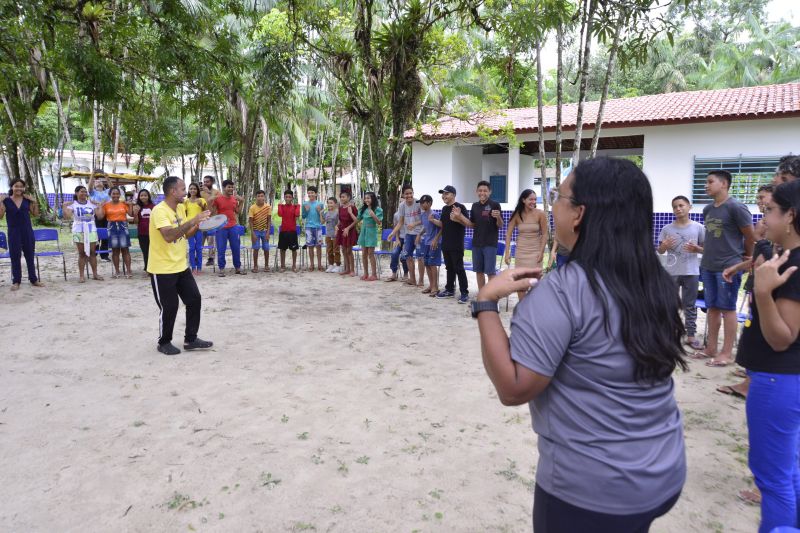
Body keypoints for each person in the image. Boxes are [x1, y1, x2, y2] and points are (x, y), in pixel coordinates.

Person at [474, 157, 686, 532]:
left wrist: (486, 303)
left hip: (592, 490)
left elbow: (514, 386)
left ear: (578, 215)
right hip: (662, 469)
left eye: (558, 195)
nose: (551, 203)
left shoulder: (563, 291)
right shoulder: (654, 282)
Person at [735, 179, 800, 533]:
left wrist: (762, 293)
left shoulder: (792, 265)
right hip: (785, 380)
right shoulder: (784, 256)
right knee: (788, 471)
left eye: (771, 211)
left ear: (790, 215)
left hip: (778, 379)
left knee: (773, 480)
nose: (765, 218)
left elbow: (781, 338)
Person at [693, 170, 755, 367]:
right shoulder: (708, 209)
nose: (706, 185)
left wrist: (745, 260)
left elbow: (750, 236)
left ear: (724, 184)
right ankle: (711, 348)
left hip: (728, 266)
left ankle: (726, 353)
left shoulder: (736, 207)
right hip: (708, 265)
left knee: (728, 309)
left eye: (710, 182)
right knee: (712, 308)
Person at [148, 175, 213, 356]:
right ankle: (164, 342)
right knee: (169, 306)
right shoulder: (159, 211)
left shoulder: (179, 208)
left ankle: (190, 339)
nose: (186, 192)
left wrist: (198, 225)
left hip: (180, 266)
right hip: (162, 268)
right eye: (183, 189)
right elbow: (168, 236)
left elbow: (184, 235)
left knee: (194, 299)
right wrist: (192, 220)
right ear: (172, 191)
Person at [657, 195, 705, 350]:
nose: (678, 209)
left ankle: (691, 336)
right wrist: (663, 245)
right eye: (675, 206)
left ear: (689, 207)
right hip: (671, 273)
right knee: (670, 304)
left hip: (691, 271)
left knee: (689, 305)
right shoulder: (666, 229)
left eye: (681, 205)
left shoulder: (698, 227)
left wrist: (696, 249)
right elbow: (660, 250)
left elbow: (707, 250)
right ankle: (669, 334)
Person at [459, 180, 504, 291]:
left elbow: (500, 225)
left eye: (485, 191)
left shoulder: (495, 205)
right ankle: (482, 294)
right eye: (480, 190)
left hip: (490, 244)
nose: (482, 193)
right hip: (476, 244)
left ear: (490, 192)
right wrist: (459, 216)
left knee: (490, 272)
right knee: (479, 271)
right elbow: (472, 224)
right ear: (476, 192)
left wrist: (498, 217)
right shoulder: (474, 206)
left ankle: (492, 297)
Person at [505, 189, 548, 302]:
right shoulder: (517, 215)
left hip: (535, 252)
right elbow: (508, 234)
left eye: (535, 199)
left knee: (535, 282)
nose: (533, 201)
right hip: (521, 253)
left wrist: (542, 252)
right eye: (531, 199)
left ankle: (533, 308)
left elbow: (544, 234)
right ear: (523, 200)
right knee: (521, 282)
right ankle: (522, 307)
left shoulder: (540, 214)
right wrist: (507, 253)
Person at [0, 178, 43, 290]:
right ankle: (16, 281)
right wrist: (0, 202)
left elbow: (35, 214)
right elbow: (0, 216)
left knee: (30, 256)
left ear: (24, 188)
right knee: (15, 257)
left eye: (21, 186)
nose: (19, 188)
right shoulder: (6, 201)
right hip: (14, 232)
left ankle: (33, 279)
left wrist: (34, 201)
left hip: (27, 232)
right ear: (12, 187)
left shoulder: (27, 200)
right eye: (16, 186)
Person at [435, 185, 469, 304]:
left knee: (459, 268)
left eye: (446, 194)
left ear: (453, 195)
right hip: (446, 243)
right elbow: (443, 225)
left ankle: (464, 293)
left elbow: (467, 224)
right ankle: (449, 289)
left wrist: (458, 218)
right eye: (443, 194)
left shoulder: (460, 207)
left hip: (456, 244)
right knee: (449, 267)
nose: (444, 196)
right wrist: (433, 221)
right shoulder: (444, 209)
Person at [63, 185, 104, 283]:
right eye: (82, 191)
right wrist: (64, 206)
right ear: (76, 193)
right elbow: (67, 217)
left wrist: (100, 206)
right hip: (78, 230)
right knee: (82, 254)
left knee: (92, 252)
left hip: (91, 229)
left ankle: (95, 274)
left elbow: (100, 216)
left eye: (85, 192)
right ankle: (81, 275)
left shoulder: (91, 203)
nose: (84, 194)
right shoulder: (73, 204)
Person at [388, 185, 423, 286]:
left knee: (420, 257)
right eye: (406, 194)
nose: (409, 195)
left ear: (413, 193)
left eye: (410, 193)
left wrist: (415, 225)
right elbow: (400, 222)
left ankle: (420, 280)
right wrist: (393, 233)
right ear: (403, 195)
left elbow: (424, 219)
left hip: (419, 234)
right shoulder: (402, 205)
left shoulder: (418, 203)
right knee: (407, 256)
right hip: (408, 235)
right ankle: (412, 279)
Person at [211, 179, 245, 277]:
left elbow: (238, 211)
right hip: (221, 228)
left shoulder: (234, 199)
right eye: (229, 187)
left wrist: (241, 201)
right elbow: (213, 212)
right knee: (221, 249)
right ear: (224, 188)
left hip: (233, 226)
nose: (231, 189)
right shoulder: (218, 199)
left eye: (232, 187)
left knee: (236, 248)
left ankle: (237, 268)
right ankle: (221, 269)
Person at [104, 186, 133, 279]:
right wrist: (99, 206)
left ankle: (128, 270)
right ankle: (117, 271)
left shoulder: (124, 204)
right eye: (113, 193)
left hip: (123, 226)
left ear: (120, 195)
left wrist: (131, 205)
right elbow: (100, 216)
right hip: (111, 227)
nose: (115, 195)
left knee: (125, 249)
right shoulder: (106, 205)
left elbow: (131, 214)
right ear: (110, 195)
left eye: (117, 193)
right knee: (115, 250)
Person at [417, 195, 441, 296]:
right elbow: (426, 227)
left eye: (424, 202)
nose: (422, 204)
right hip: (426, 242)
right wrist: (419, 234)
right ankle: (431, 285)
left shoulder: (434, 214)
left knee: (432, 264)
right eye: (421, 203)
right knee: (426, 263)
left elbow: (442, 226)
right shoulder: (422, 215)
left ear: (430, 203)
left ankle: (435, 287)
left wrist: (435, 239)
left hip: (434, 243)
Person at [357, 191, 383, 281]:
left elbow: (379, 222)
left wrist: (373, 215)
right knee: (363, 253)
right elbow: (357, 219)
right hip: (364, 231)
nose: (366, 200)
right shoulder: (363, 209)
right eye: (365, 198)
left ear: (373, 199)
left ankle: (374, 274)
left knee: (370, 254)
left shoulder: (377, 209)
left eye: (368, 198)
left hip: (371, 232)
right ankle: (366, 274)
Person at [87, 170, 111, 261]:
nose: (98, 182)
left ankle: (104, 256)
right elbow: (89, 187)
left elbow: (113, 188)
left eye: (100, 181)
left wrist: (107, 178)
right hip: (95, 216)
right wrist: (92, 175)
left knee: (105, 234)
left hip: (106, 215)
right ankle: (94, 253)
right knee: (95, 234)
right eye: (96, 181)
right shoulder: (93, 192)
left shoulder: (107, 192)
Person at [184, 183, 208, 275]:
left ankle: (199, 268)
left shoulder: (201, 200)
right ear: (189, 190)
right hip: (190, 227)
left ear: (197, 190)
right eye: (191, 189)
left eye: (195, 189)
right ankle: (193, 267)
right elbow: (184, 214)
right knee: (191, 248)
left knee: (198, 248)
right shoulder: (186, 201)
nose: (193, 190)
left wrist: (201, 205)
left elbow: (206, 212)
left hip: (199, 226)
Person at [335, 190, 359, 277]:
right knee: (343, 250)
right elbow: (340, 220)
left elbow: (356, 220)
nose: (342, 198)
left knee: (349, 250)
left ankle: (352, 270)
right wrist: (337, 226)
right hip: (342, 230)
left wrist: (348, 228)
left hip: (350, 231)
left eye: (343, 197)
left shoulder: (352, 207)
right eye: (341, 197)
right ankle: (347, 269)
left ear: (348, 198)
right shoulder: (340, 208)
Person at [248, 190, 272, 273]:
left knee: (266, 248)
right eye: (258, 196)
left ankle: (266, 265)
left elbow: (269, 220)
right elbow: (250, 221)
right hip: (255, 231)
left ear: (264, 197)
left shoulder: (268, 207)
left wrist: (268, 232)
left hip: (265, 231)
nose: (260, 198)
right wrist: (252, 233)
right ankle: (255, 266)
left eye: (262, 196)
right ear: (256, 197)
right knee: (256, 248)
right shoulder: (252, 207)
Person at [277, 190, 301, 272]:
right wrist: (279, 205)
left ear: (292, 198)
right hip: (283, 231)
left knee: (294, 249)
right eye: (286, 197)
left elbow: (297, 214)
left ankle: (294, 266)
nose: (288, 198)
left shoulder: (295, 207)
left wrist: (298, 206)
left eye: (289, 197)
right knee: (282, 249)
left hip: (292, 232)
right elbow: (280, 214)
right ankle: (282, 266)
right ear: (284, 198)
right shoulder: (282, 207)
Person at [302, 186, 324, 272]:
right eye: (309, 192)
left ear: (316, 194)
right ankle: (311, 264)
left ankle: (319, 264)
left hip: (318, 227)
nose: (310, 194)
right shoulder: (305, 204)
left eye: (312, 192)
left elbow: (323, 218)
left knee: (319, 246)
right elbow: (303, 216)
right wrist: (306, 210)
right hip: (308, 227)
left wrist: (319, 212)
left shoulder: (320, 204)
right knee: (310, 246)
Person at [133, 189, 156, 271]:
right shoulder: (137, 207)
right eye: (141, 195)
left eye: (145, 195)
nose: (143, 197)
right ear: (139, 197)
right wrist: (135, 213)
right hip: (142, 233)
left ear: (148, 196)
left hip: (153, 233)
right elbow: (136, 222)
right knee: (145, 252)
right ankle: (147, 268)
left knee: (153, 252)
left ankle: (153, 268)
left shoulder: (153, 206)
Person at [385, 207, 409, 282]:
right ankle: (394, 273)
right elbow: (396, 227)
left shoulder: (410, 213)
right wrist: (397, 239)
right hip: (400, 238)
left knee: (403, 256)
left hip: (408, 238)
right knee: (394, 253)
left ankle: (406, 273)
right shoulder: (396, 214)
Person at [200, 175, 219, 266]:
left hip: (213, 219)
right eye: (204, 182)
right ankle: (198, 256)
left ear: (212, 182)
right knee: (200, 239)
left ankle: (211, 258)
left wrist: (209, 193)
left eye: (207, 181)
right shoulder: (200, 193)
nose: (205, 183)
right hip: (202, 219)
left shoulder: (217, 192)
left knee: (211, 240)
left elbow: (219, 202)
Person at [323, 197, 341, 272]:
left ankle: (338, 265)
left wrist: (337, 228)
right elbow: (322, 222)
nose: (329, 204)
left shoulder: (338, 212)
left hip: (335, 234)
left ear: (335, 204)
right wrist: (320, 214)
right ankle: (331, 265)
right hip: (328, 234)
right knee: (329, 250)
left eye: (331, 203)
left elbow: (340, 222)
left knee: (336, 250)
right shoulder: (326, 213)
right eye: (328, 203)